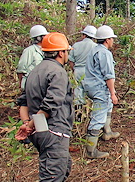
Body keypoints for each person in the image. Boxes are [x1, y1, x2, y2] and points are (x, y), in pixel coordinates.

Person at [15, 32, 74, 181]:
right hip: (54, 131)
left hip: (41, 132)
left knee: (63, 166)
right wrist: (31, 124)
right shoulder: (57, 72)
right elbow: (51, 104)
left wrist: (26, 124)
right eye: (66, 51)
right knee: (53, 175)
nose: (67, 54)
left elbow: (23, 102)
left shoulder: (34, 71)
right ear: (61, 52)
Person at [82, 25, 120, 159]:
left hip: (91, 86)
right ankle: (91, 151)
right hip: (99, 88)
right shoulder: (104, 53)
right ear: (107, 40)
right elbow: (108, 75)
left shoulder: (94, 50)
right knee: (98, 117)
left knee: (107, 106)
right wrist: (113, 93)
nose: (113, 42)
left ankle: (107, 132)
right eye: (112, 39)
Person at [68, 25, 96, 111]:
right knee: (90, 91)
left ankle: (78, 113)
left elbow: (71, 61)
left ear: (84, 35)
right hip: (90, 71)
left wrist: (74, 69)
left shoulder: (76, 45)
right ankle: (89, 112)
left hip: (78, 70)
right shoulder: (95, 47)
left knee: (78, 91)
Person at [16, 24, 49, 90]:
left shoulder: (47, 50)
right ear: (39, 38)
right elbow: (21, 70)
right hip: (31, 85)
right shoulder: (29, 51)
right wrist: (22, 85)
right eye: (45, 36)